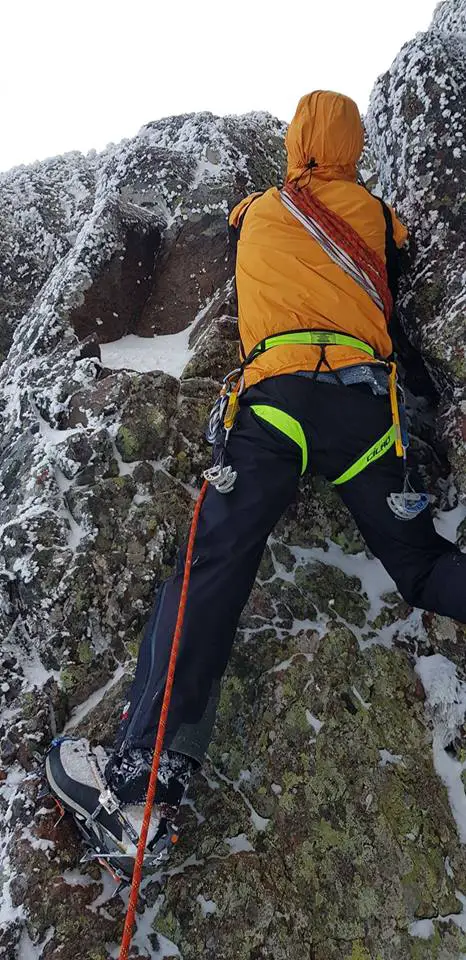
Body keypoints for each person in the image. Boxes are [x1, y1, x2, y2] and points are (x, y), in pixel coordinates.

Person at [45, 91, 466, 875]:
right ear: (354, 144)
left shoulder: (261, 211)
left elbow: (239, 248)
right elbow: (395, 272)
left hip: (276, 408)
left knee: (215, 571)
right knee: (419, 565)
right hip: (367, 413)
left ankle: (143, 785)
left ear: (298, 140)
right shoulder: (377, 216)